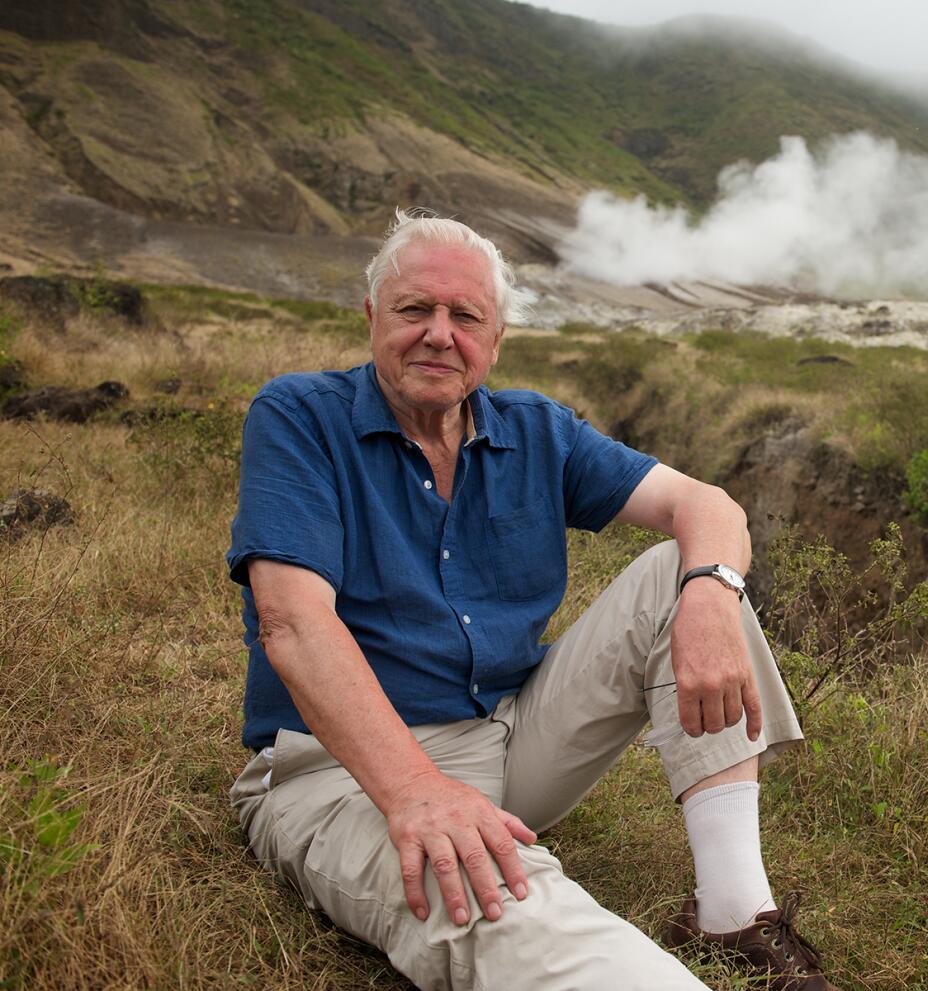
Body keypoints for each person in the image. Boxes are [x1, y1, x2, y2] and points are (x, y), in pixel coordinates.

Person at [225, 209, 840, 991]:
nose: (440, 334)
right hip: (338, 770)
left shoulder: (536, 430)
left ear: (497, 337)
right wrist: (416, 791)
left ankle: (731, 910)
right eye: (415, 309)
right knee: (503, 907)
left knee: (676, 573)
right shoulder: (299, 417)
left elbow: (707, 506)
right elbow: (292, 623)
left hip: (506, 735)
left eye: (465, 317)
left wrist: (713, 599)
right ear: (372, 317)